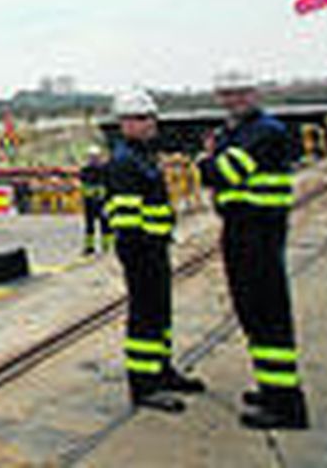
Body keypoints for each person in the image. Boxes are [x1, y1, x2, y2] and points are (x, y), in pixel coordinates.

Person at [200, 68, 309, 430]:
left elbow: (222, 173)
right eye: (228, 94)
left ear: (254, 93)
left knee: (268, 315)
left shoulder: (265, 131)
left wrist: (207, 162)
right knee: (252, 313)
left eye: (241, 92)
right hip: (238, 229)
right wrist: (212, 162)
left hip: (260, 231)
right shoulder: (234, 133)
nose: (234, 100)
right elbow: (218, 170)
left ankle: (286, 405)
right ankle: (271, 388)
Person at [106, 88, 205, 412]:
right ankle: (144, 384)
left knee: (160, 313)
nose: (149, 123)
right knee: (145, 317)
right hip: (141, 251)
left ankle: (162, 370)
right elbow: (126, 219)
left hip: (155, 247)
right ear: (124, 123)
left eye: (150, 117)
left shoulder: (142, 156)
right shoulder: (124, 162)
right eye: (140, 118)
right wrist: (143, 251)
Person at [79, 145, 110, 255]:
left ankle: (107, 247)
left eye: (95, 157)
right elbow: (83, 186)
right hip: (89, 202)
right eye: (91, 157)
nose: (93, 159)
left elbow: (107, 185)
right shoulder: (85, 171)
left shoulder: (105, 171)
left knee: (105, 225)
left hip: (103, 202)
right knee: (89, 226)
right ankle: (89, 247)